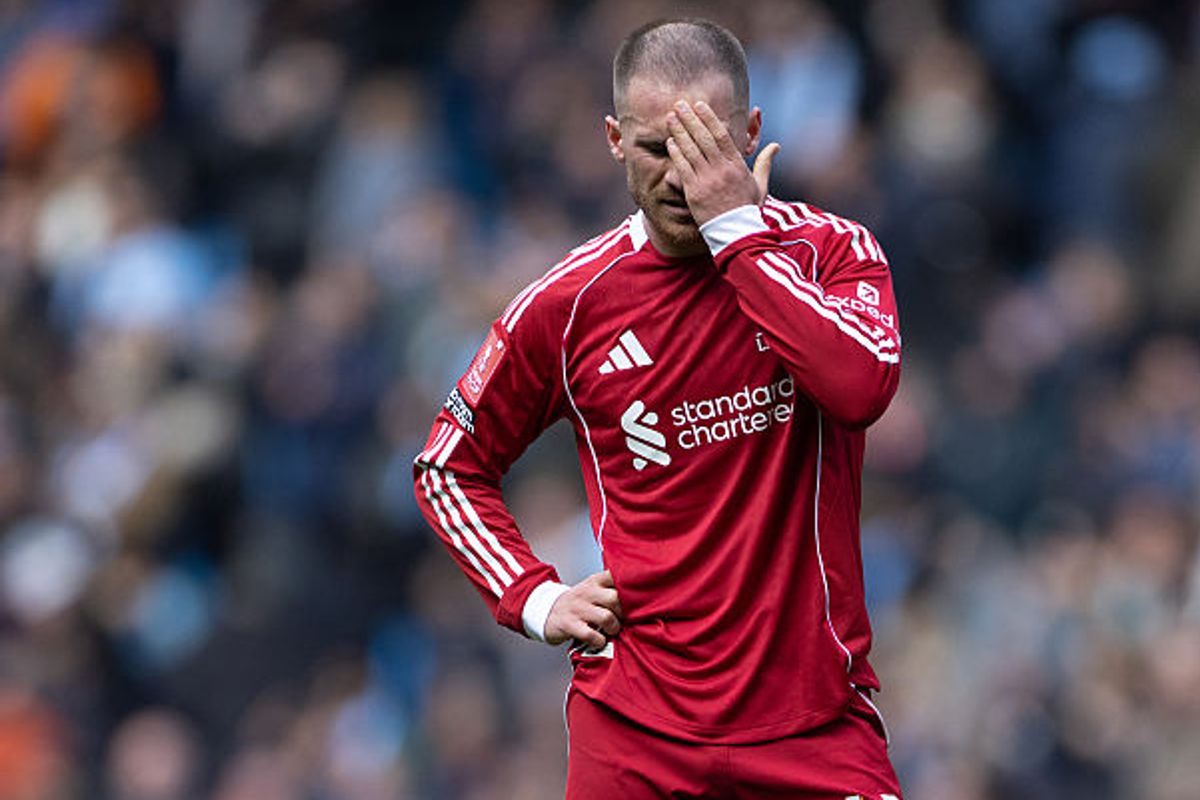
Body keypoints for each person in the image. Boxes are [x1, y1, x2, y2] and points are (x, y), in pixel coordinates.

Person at [414, 17, 903, 800]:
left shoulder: (830, 253)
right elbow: (447, 468)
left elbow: (860, 389)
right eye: (655, 148)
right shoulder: (569, 306)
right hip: (636, 731)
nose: (683, 177)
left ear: (751, 132)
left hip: (813, 725)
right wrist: (535, 596)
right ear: (613, 139)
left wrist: (739, 236)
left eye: (706, 146)